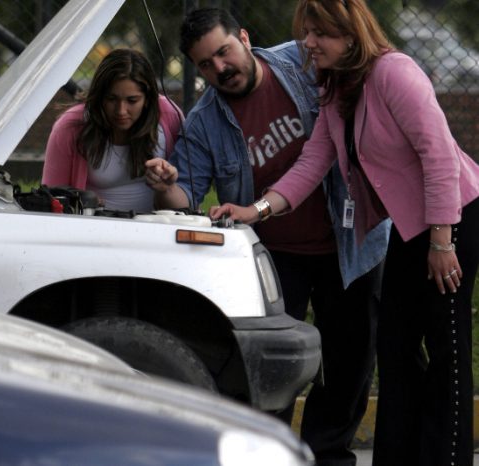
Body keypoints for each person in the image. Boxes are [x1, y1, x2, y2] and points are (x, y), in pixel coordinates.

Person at [210, 1, 479, 465]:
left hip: (453, 219)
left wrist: (442, 241)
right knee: (394, 348)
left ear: (351, 35)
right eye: (306, 33)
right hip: (410, 229)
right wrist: (256, 210)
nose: (308, 44)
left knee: (445, 350)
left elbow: (438, 157)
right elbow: (314, 160)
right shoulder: (336, 87)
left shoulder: (396, 73)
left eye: (320, 34)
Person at [145, 7, 389, 465]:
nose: (220, 68)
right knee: (272, 365)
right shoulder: (203, 124)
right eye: (205, 64)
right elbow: (185, 197)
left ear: (243, 36)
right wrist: (164, 186)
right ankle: (271, 455)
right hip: (275, 255)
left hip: (349, 240)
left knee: (351, 358)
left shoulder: (305, 61)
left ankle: (328, 455)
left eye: (224, 51)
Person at [42, 48, 183, 212]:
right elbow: (50, 198)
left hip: (156, 226)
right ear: (99, 95)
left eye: (132, 100)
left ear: (148, 99)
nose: (121, 111)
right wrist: (82, 201)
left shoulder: (169, 115)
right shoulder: (70, 126)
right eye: (111, 99)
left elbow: (188, 199)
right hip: (93, 229)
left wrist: (168, 183)